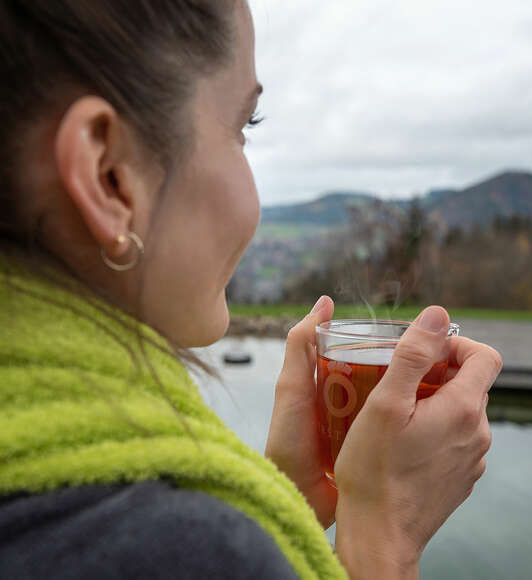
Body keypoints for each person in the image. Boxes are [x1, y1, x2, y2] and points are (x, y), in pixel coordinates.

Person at [0, 1, 502, 578]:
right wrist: (384, 538)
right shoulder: (168, 547)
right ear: (108, 175)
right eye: (244, 127)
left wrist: (283, 501)